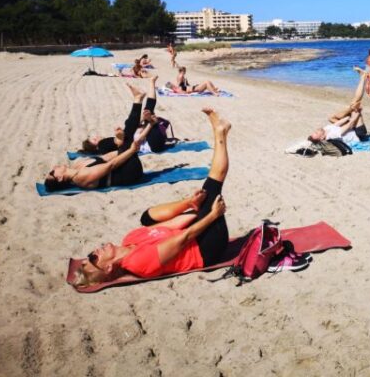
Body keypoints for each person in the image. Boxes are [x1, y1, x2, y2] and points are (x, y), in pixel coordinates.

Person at [71, 108, 232, 287]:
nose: (94, 251)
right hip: (205, 250)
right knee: (212, 184)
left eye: (89, 254)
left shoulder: (130, 238)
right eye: (93, 258)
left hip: (192, 235)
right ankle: (220, 134)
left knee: (147, 217)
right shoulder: (138, 263)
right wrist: (212, 215)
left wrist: (197, 210)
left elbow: (172, 225)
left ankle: (219, 134)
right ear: (108, 268)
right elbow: (184, 239)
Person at [46, 84, 153, 191]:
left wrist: (122, 148)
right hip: (130, 173)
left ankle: (139, 100)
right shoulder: (81, 178)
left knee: (126, 138)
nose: (54, 168)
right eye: (52, 172)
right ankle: (138, 99)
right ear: (60, 178)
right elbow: (111, 165)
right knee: (127, 136)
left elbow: (106, 157)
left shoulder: (76, 166)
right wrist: (131, 150)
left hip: (122, 166)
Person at [81, 76, 169, 154]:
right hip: (154, 146)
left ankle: (149, 85)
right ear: (95, 147)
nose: (96, 137)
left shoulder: (106, 145)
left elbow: (131, 134)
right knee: (142, 116)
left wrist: (144, 119)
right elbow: (137, 140)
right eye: (94, 140)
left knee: (145, 113)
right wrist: (150, 124)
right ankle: (143, 93)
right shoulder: (102, 145)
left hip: (150, 140)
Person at [307, 67, 370, 148]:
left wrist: (348, 115)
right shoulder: (332, 135)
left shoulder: (325, 129)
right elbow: (350, 124)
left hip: (350, 127)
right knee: (354, 103)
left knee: (332, 118)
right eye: (316, 133)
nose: (316, 131)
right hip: (358, 133)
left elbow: (337, 123)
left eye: (314, 132)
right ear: (322, 137)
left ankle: (363, 77)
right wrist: (357, 112)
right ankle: (363, 77)